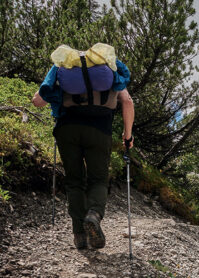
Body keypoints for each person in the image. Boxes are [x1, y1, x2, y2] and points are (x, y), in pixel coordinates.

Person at [32, 43, 134, 249]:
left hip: (67, 129)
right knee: (98, 179)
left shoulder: (62, 66)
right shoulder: (111, 65)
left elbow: (37, 101)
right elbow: (128, 102)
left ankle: (79, 235)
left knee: (74, 181)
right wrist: (127, 135)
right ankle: (94, 215)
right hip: (99, 131)